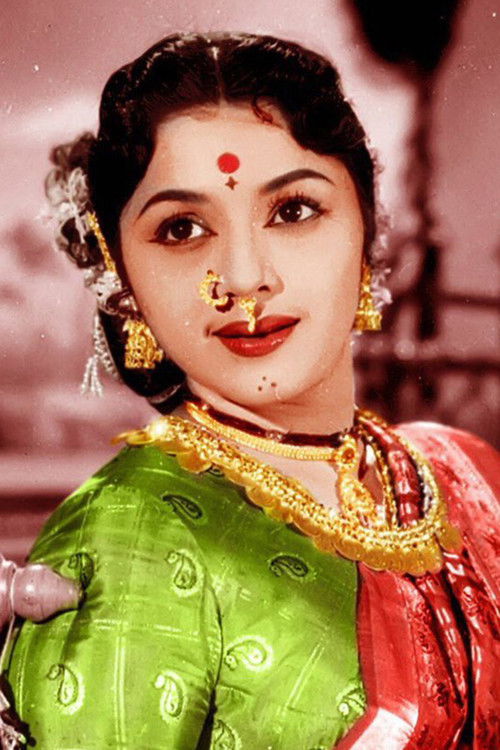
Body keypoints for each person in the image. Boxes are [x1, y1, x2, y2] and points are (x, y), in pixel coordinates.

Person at [1, 32, 499, 750]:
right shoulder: (130, 533)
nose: (242, 278)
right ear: (124, 282)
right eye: (181, 229)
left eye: (293, 211)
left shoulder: (467, 475)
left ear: (367, 235)